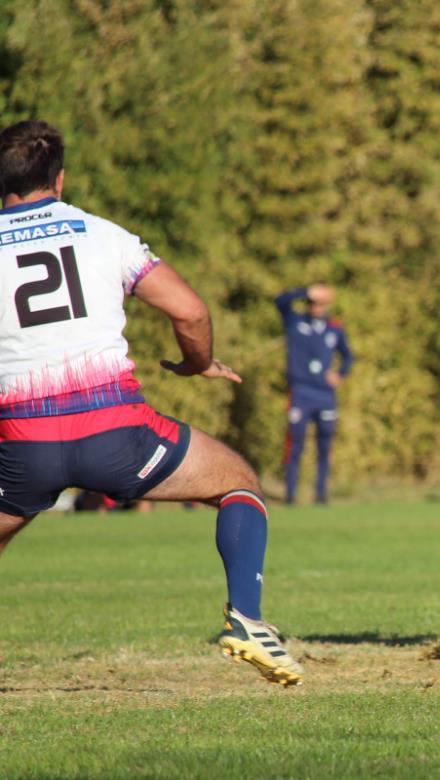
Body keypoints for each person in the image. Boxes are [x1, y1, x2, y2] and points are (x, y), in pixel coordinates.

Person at [0, 120, 302, 686]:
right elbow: (189, 310)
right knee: (238, 482)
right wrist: (198, 362)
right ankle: (247, 620)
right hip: (118, 437)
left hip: (24, 445)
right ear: (59, 179)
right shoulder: (102, 235)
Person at [275, 283, 352, 505]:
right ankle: (290, 495)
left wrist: (340, 373)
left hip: (325, 395)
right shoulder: (295, 321)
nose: (316, 307)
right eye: (312, 303)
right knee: (295, 443)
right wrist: (306, 291)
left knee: (325, 445)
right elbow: (280, 301)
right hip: (301, 392)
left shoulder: (334, 328)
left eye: (320, 303)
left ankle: (321, 495)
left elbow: (348, 356)